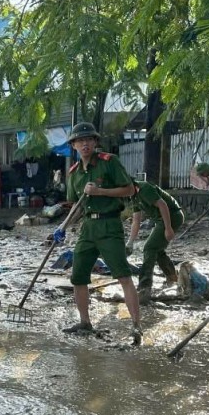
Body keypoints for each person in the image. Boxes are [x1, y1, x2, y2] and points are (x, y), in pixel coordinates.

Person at [60, 122, 143, 344]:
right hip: (87, 227)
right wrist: (62, 228)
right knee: (78, 276)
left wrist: (100, 192)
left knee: (123, 275)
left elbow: (129, 189)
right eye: (80, 140)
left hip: (110, 225)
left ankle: (136, 326)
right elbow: (77, 206)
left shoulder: (109, 162)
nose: (84, 143)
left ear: (95, 142)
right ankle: (85, 322)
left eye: (89, 139)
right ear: (74, 145)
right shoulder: (74, 173)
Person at [126, 179, 185, 295]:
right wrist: (130, 242)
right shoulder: (134, 196)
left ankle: (144, 286)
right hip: (160, 220)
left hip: (172, 216)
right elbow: (136, 220)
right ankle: (172, 277)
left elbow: (163, 205)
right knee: (157, 249)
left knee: (149, 248)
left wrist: (168, 228)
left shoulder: (144, 188)